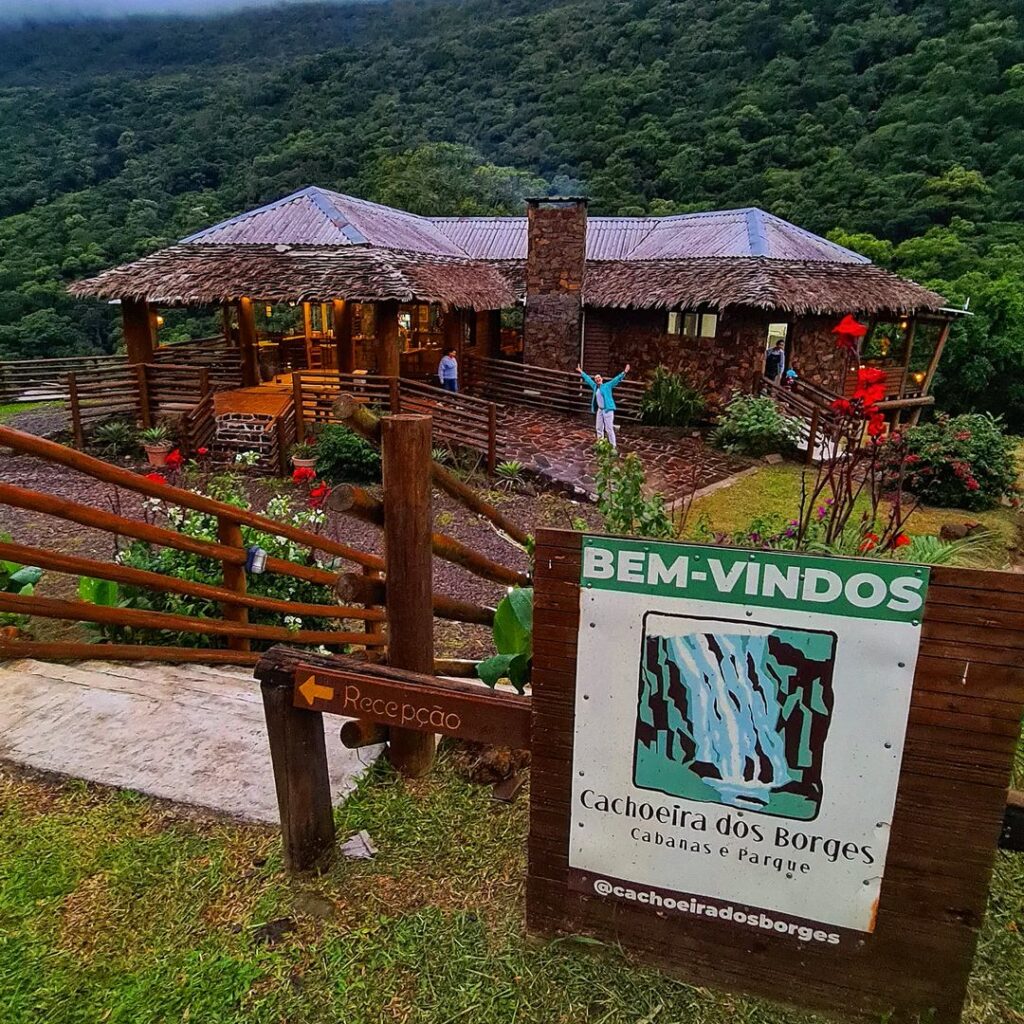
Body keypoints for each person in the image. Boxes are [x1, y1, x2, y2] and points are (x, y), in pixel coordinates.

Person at [577, 362, 630, 449]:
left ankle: (613, 446)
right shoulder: (595, 387)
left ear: (602, 379)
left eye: (599, 377)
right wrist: (581, 371)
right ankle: (600, 443)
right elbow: (588, 379)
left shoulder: (607, 385)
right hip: (600, 410)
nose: (597, 379)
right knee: (599, 427)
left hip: (608, 409)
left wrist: (624, 372)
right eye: (596, 378)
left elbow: (616, 379)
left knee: (609, 428)